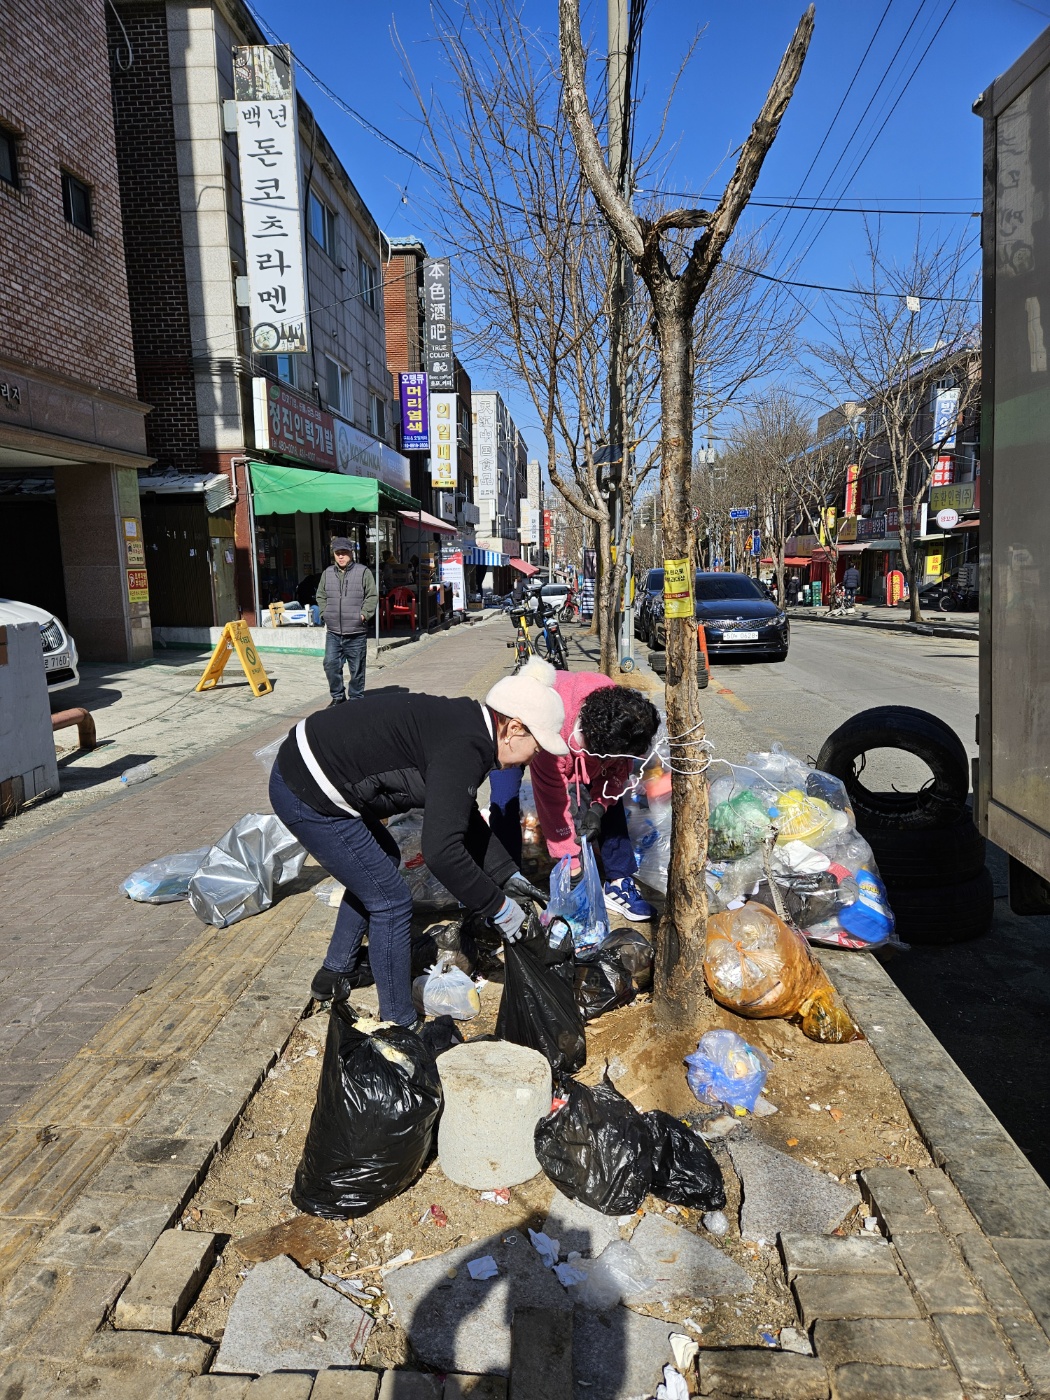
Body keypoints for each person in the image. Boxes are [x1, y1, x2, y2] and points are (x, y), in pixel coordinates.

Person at [269, 657, 568, 1024]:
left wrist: (508, 876)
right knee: (391, 900)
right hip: (309, 790)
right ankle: (400, 1022)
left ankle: (336, 971)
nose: (534, 758)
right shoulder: (465, 747)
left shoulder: (471, 727)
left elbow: (461, 816)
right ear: (514, 728)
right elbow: (442, 852)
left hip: (314, 769)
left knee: (380, 861)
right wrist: (502, 910)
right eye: (537, 748)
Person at [488, 674, 661, 922]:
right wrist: (571, 865)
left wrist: (599, 807)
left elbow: (616, 771)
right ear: (593, 745)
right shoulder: (554, 743)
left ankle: (618, 880)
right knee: (504, 802)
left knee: (613, 798)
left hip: (581, 730)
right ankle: (507, 886)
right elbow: (553, 804)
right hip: (517, 726)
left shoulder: (623, 718)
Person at [315, 538, 378, 706]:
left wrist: (364, 614)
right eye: (338, 553)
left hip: (356, 631)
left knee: (356, 669)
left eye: (344, 553)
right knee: (330, 664)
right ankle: (338, 696)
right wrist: (325, 613)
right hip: (334, 631)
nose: (341, 557)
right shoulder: (327, 573)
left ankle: (356, 699)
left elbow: (372, 596)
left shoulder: (363, 572)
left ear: (351, 553)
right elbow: (320, 595)